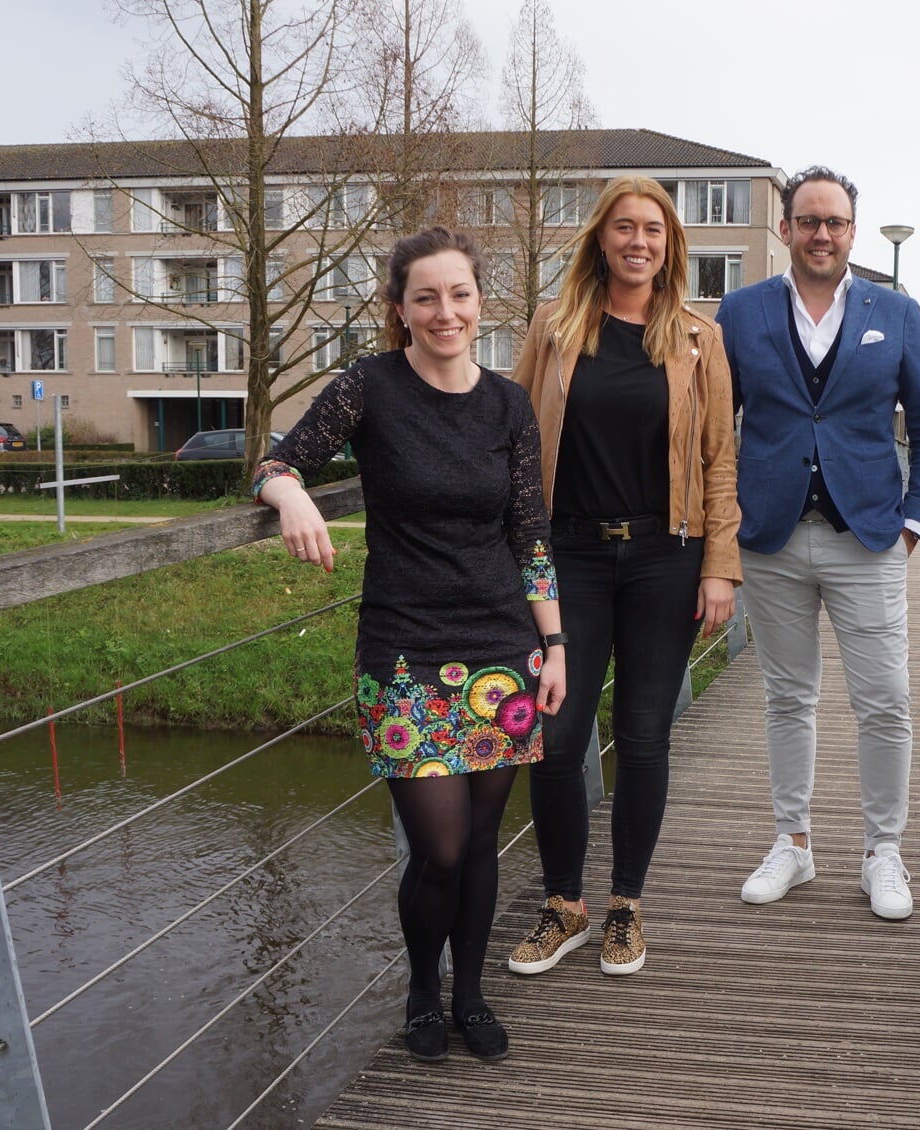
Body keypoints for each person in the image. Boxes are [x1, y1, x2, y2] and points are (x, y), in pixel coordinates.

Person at [253, 225, 565, 1064]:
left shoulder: (507, 404)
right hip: (404, 655)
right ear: (399, 309)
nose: (443, 311)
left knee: (485, 836)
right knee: (442, 845)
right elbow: (278, 460)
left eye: (457, 294)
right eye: (424, 297)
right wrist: (291, 497)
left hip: (504, 649)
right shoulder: (370, 387)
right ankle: (424, 989)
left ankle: (470, 995)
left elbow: (530, 534)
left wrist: (556, 643)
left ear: (479, 301)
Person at [508, 175, 740, 977]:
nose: (638, 241)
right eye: (623, 228)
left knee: (643, 736)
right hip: (567, 554)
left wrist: (720, 566)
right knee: (558, 737)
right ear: (600, 238)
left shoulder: (698, 340)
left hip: (663, 558)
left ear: (670, 243)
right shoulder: (553, 326)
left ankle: (625, 908)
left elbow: (718, 460)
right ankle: (563, 904)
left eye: (653, 229)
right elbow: (510, 434)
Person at [715, 165, 920, 921]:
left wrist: (915, 522)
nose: (823, 234)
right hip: (772, 539)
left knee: (885, 701)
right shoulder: (741, 311)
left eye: (836, 222)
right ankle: (795, 842)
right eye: (809, 220)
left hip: (869, 537)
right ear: (785, 228)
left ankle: (884, 850)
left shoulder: (898, 311)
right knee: (789, 697)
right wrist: (724, 528)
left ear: (853, 230)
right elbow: (718, 429)